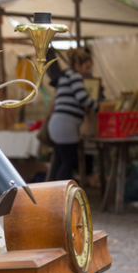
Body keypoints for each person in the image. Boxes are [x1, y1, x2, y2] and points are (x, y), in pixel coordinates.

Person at [48, 48, 98, 181]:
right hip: (66, 125)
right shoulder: (75, 76)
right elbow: (83, 98)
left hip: (57, 124)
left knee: (59, 160)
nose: (87, 71)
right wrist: (97, 106)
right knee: (68, 162)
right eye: (86, 67)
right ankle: (59, 194)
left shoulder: (64, 76)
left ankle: (51, 191)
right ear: (77, 65)